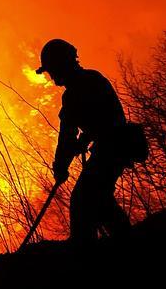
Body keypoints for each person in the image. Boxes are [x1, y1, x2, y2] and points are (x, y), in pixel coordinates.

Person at [35, 39, 131, 245]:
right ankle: (126, 242)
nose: (51, 77)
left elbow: (67, 134)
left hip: (111, 149)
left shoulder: (75, 92)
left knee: (82, 200)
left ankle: (84, 252)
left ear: (61, 65)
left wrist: (61, 166)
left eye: (52, 70)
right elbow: (100, 116)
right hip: (115, 146)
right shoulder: (92, 79)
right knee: (100, 200)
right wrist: (85, 139)